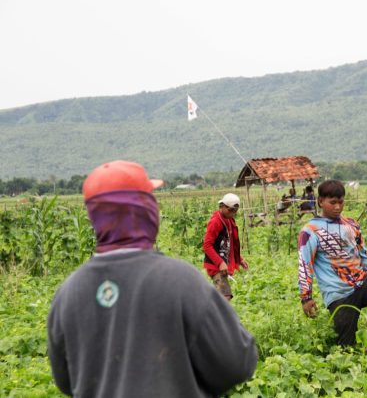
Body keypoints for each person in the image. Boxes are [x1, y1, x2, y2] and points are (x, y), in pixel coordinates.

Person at [47, 160, 257, 397]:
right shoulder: (181, 281)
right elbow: (237, 363)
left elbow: (66, 382)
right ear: (145, 210)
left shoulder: (69, 293)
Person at [297, 179, 367, 346]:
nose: (337, 207)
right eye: (332, 203)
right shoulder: (310, 231)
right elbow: (304, 264)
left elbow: (363, 253)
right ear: (321, 201)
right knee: (345, 346)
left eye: (341, 202)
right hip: (338, 292)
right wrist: (306, 297)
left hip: (362, 280)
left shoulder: (351, 224)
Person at [203, 193, 249, 300]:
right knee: (225, 295)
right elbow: (207, 245)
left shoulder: (229, 220)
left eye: (235, 211)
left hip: (223, 263)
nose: (232, 213)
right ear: (222, 206)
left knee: (221, 295)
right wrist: (220, 263)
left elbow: (230, 243)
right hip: (215, 264)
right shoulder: (216, 222)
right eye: (230, 210)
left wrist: (240, 259)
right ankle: (215, 315)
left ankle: (208, 310)